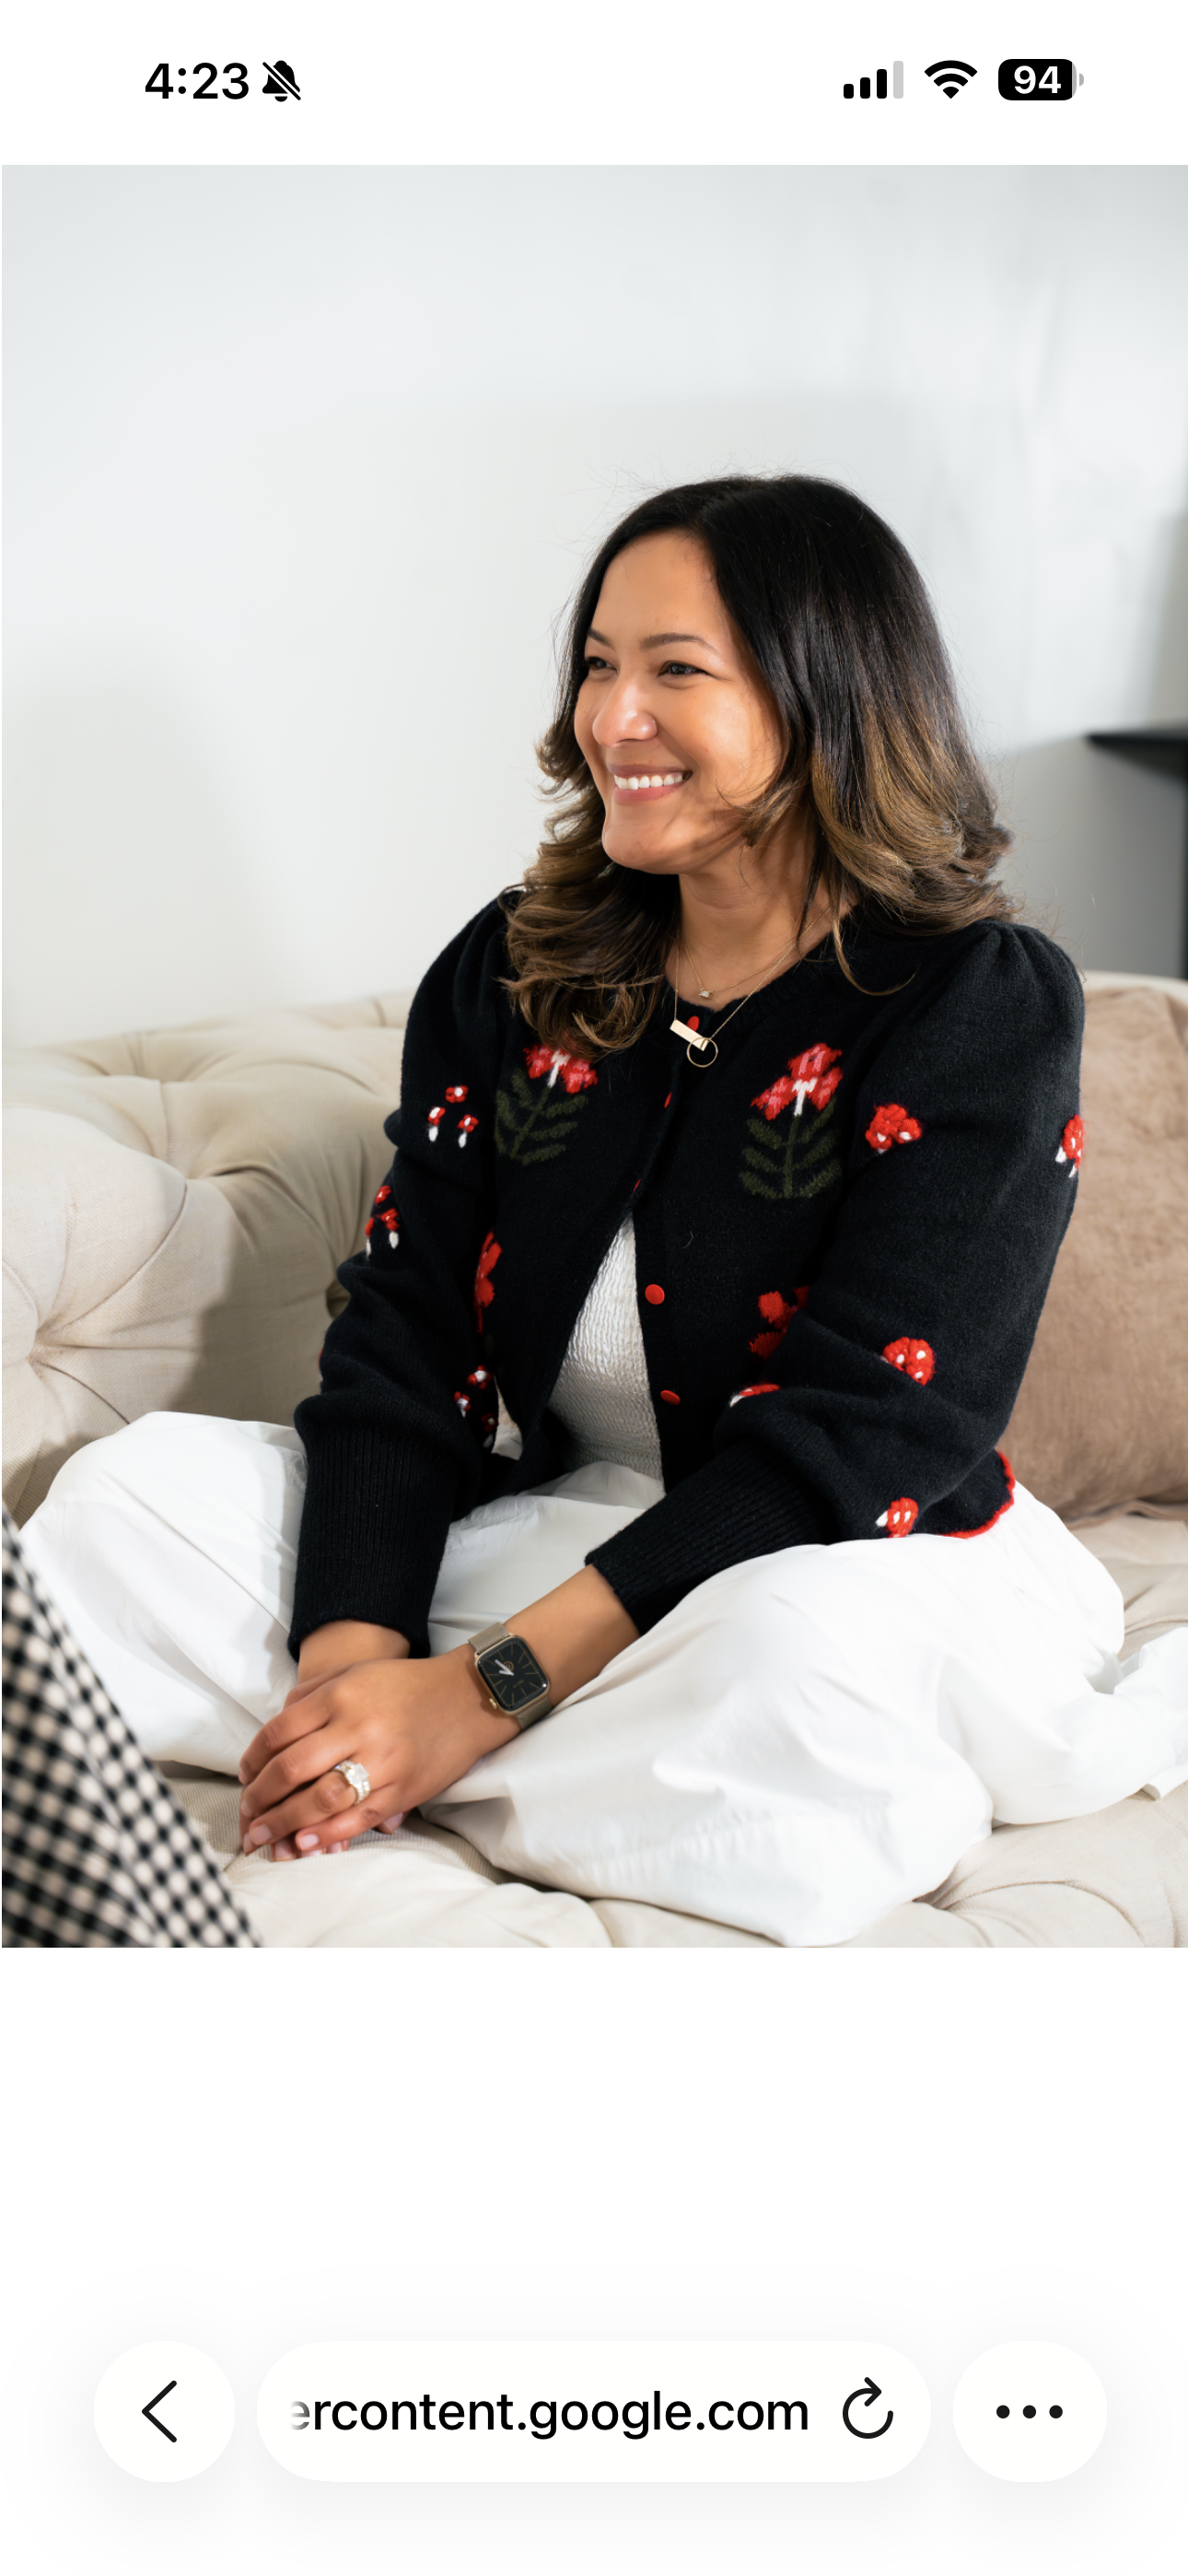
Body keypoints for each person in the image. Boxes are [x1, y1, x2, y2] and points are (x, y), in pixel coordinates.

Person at [20, 475, 1187, 1948]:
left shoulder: (973, 1001)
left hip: (846, 1564)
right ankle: (478, 1772)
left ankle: (494, 1756)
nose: (609, 716)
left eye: (673, 671)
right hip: (553, 1533)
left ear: (828, 696)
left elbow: (868, 1436)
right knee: (121, 1512)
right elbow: (404, 1343)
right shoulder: (514, 969)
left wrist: (473, 1694)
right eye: (596, 664)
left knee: (790, 1681)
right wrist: (357, 1667)